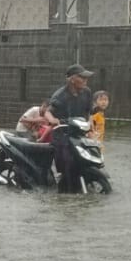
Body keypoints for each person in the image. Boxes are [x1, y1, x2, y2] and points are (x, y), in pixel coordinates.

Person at [43, 64, 95, 193]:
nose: (85, 80)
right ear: (72, 79)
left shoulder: (87, 92)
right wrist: (52, 120)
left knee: (87, 160)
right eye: (82, 77)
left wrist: (91, 122)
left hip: (79, 134)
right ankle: (62, 194)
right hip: (63, 135)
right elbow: (47, 112)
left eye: (86, 78)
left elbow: (89, 111)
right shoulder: (60, 96)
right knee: (67, 166)